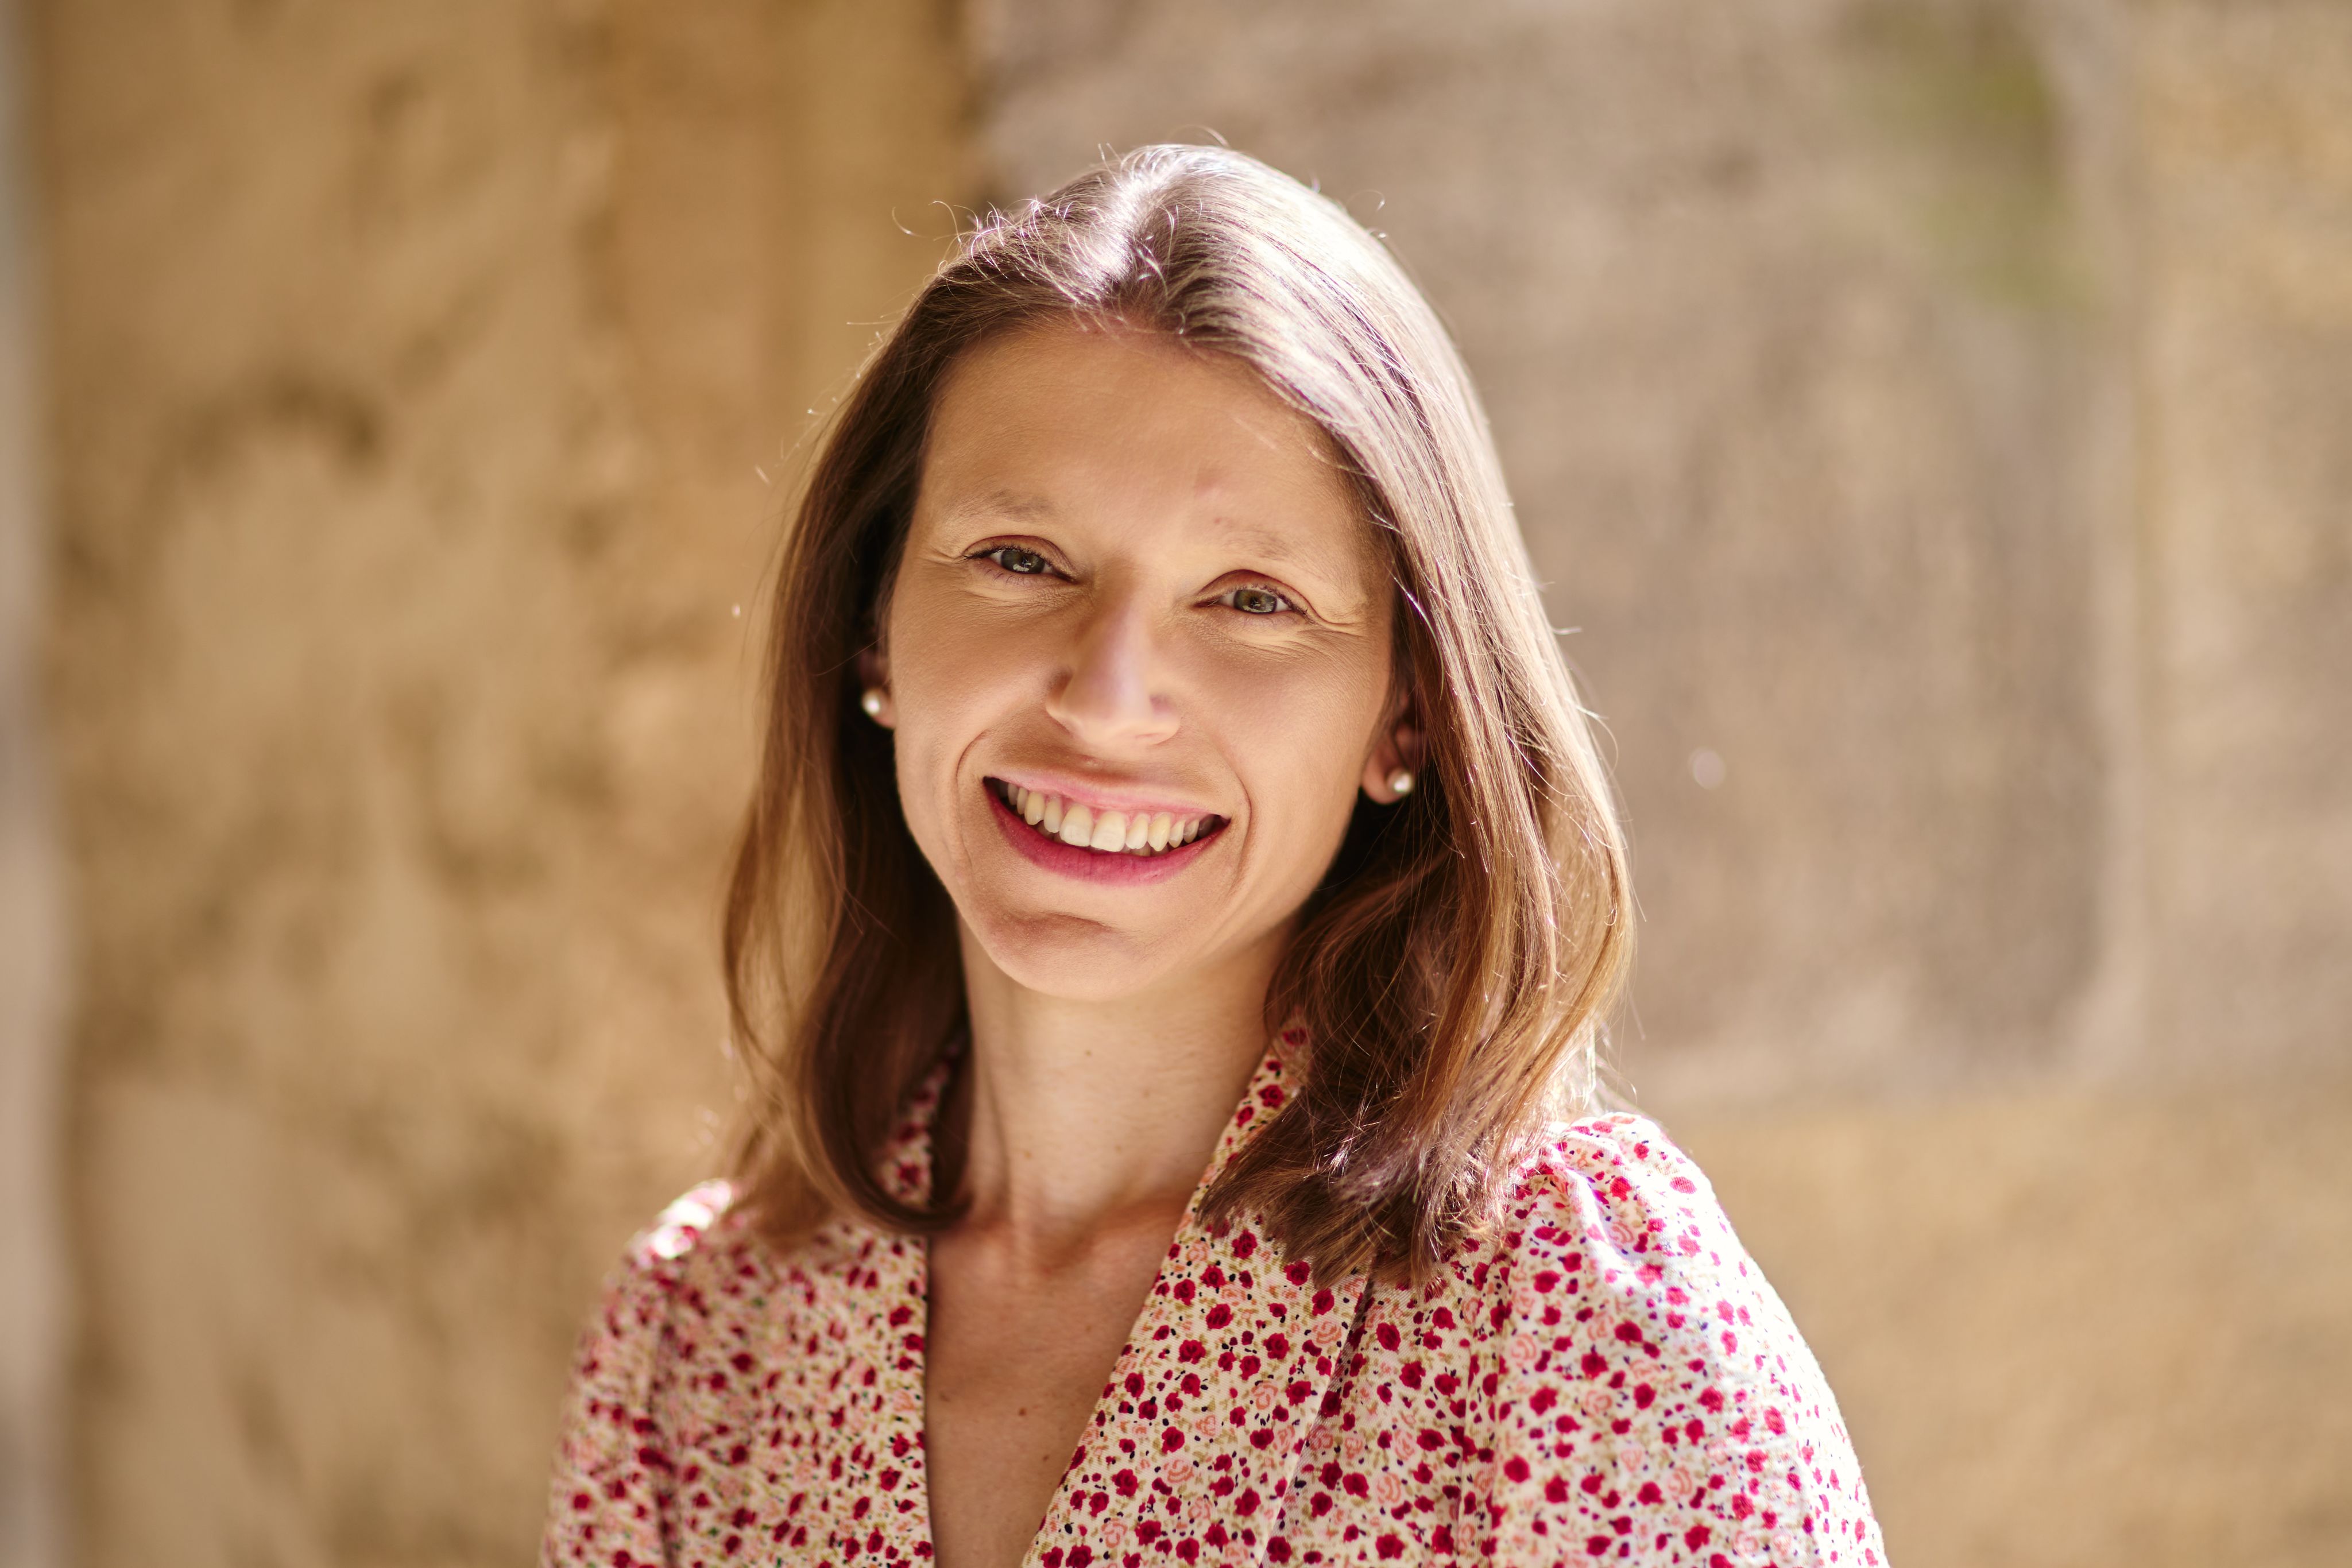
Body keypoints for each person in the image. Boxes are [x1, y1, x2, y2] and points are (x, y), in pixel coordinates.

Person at [540, 144, 1886, 1568]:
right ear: (873, 628)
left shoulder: (1579, 1323)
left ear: (1405, 712)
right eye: (1018, 558)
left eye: (1250, 599)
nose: (1107, 699)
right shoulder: (696, 1353)